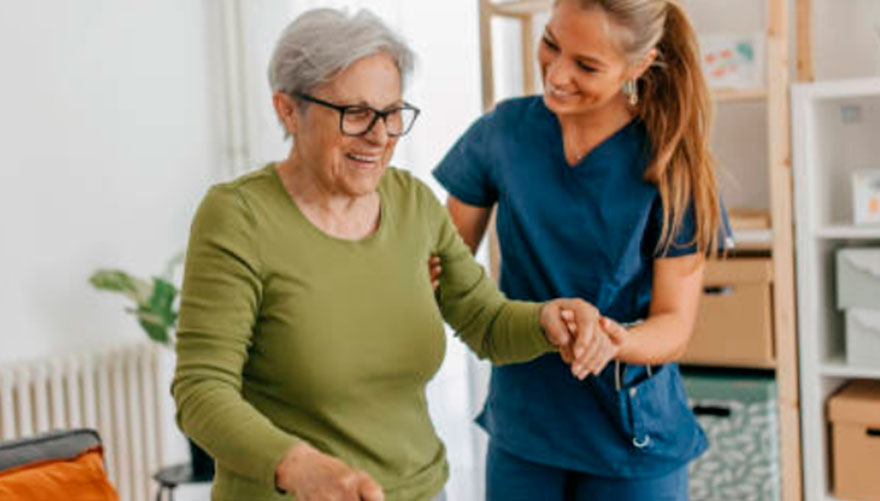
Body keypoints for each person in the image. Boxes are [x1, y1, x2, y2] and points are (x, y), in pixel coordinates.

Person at [171, 8, 622, 501]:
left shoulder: (412, 203)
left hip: (421, 491)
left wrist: (548, 320)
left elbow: (484, 321)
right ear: (287, 110)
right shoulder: (239, 218)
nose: (381, 135)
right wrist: (297, 467)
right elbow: (201, 391)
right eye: (356, 113)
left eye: (391, 113)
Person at [432, 0, 731, 499]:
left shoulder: (670, 165)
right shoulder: (502, 135)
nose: (557, 74)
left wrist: (614, 342)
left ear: (638, 65)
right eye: (551, 43)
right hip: (526, 429)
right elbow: (441, 264)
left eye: (587, 65)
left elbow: (674, 325)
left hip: (629, 441)